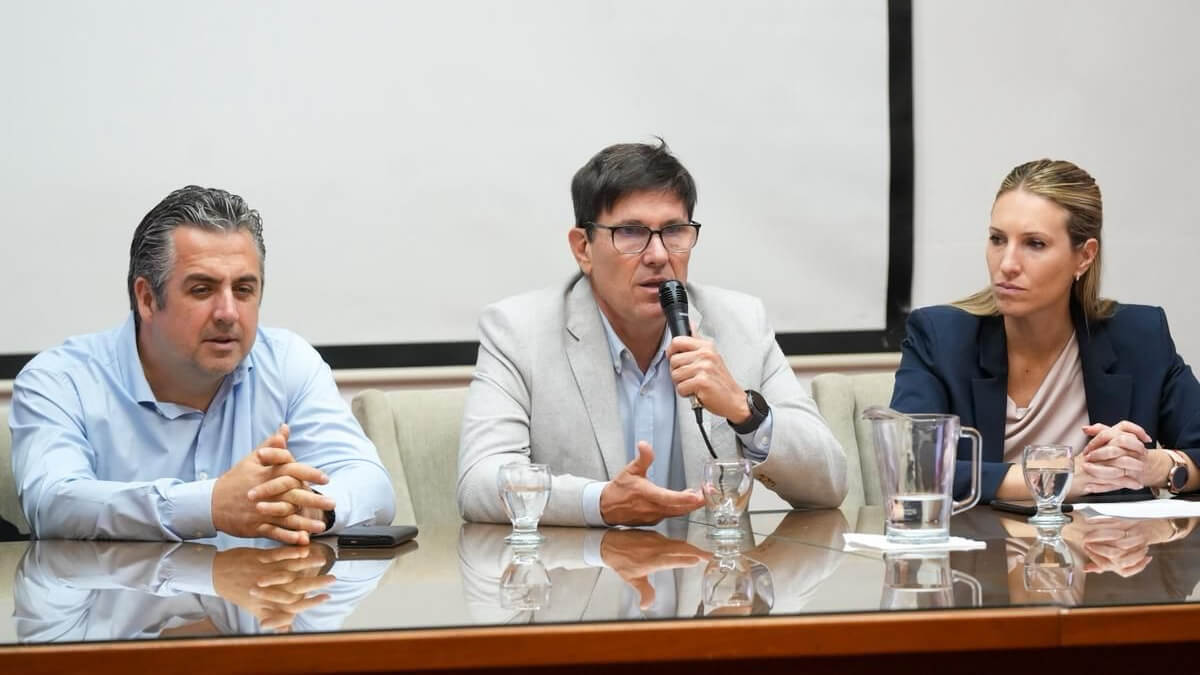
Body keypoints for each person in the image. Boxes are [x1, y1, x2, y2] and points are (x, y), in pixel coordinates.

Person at [457, 140, 847, 527]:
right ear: (583, 248)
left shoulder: (741, 323)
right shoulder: (518, 331)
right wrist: (600, 502)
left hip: (705, 583)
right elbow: (479, 482)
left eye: (674, 230)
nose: (659, 255)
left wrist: (745, 413)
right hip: (584, 583)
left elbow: (829, 484)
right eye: (631, 232)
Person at [10, 186, 395, 543]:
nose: (228, 312)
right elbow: (54, 504)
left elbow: (373, 487)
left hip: (258, 611)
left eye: (244, 289)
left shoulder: (288, 363)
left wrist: (312, 505)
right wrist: (208, 505)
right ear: (147, 298)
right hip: (123, 614)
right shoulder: (60, 381)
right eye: (202, 290)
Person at [891, 159, 1200, 503]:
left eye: (1034, 244)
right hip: (983, 553)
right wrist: (1063, 474)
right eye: (997, 239)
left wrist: (1159, 466)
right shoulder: (939, 337)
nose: (1006, 264)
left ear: (1084, 257)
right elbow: (912, 467)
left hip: (1108, 553)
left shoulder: (1139, 336)